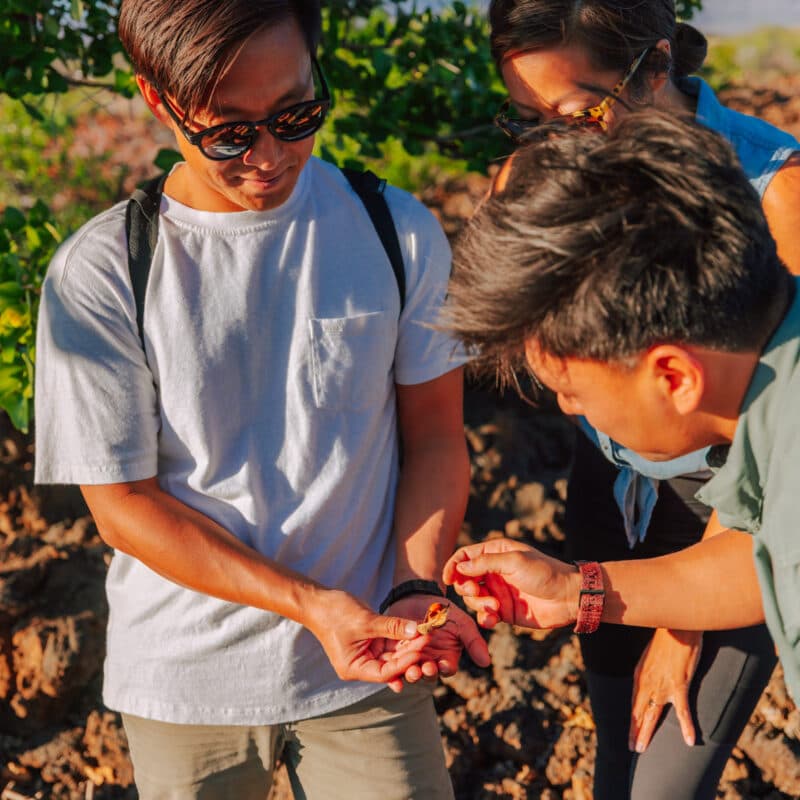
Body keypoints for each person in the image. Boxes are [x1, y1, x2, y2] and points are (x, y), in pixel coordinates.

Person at [33, 2, 490, 798]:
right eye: (229, 133)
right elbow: (123, 507)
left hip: (371, 675)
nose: (270, 156)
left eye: (296, 114)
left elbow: (437, 441)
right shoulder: (103, 273)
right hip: (185, 683)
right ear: (156, 97)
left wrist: (415, 591)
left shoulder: (397, 231)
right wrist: (312, 606)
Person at [482, 2, 800, 797]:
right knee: (617, 761)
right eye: (528, 120)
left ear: (654, 66)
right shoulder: (547, 173)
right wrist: (582, 590)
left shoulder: (774, 188)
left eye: (575, 112)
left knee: (665, 770)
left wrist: (680, 614)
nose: (558, 145)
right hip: (634, 492)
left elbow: (762, 495)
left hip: (722, 500)